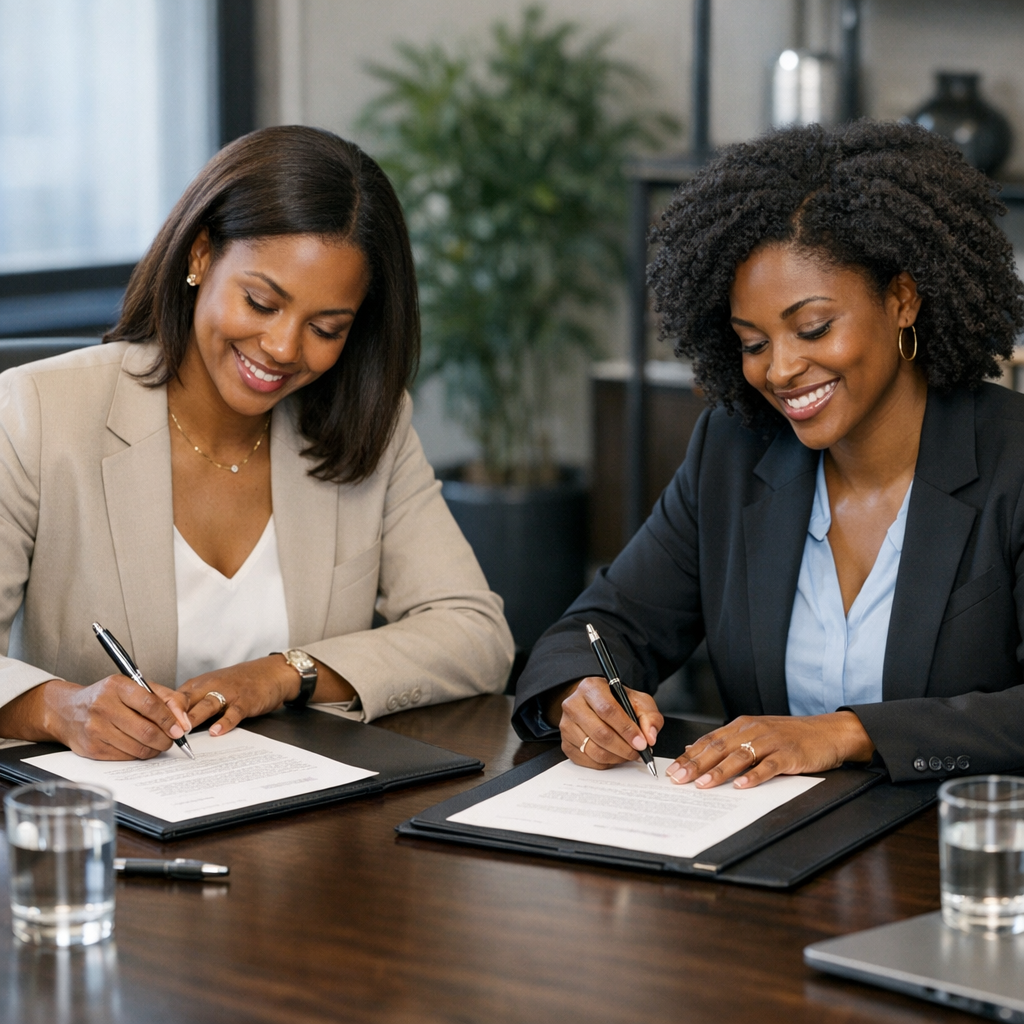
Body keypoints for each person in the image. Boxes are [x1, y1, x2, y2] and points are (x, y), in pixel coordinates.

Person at [513, 120, 1024, 791]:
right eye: (753, 343)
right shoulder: (731, 454)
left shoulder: (1011, 459)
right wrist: (579, 694)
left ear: (902, 299)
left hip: (956, 861)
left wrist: (847, 733)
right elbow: (600, 627)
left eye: (813, 328)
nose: (781, 369)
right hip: (768, 860)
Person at [0, 125, 513, 760]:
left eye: (325, 328)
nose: (283, 349)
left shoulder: (367, 426)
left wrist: (283, 674)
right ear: (200, 255)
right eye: (262, 302)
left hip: (300, 825)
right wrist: (60, 709)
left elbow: (475, 634)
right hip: (102, 828)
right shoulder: (37, 412)